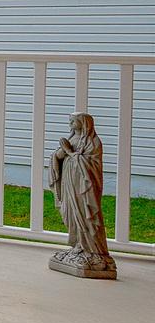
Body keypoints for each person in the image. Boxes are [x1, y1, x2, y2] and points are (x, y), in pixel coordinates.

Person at [48, 113, 116, 279]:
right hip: (69, 184)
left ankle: (94, 251)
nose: (70, 123)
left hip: (84, 189)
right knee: (71, 213)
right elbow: (58, 157)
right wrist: (61, 154)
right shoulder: (71, 139)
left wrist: (72, 154)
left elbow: (92, 165)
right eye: (70, 121)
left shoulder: (93, 142)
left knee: (85, 215)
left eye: (74, 121)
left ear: (83, 123)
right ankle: (78, 245)